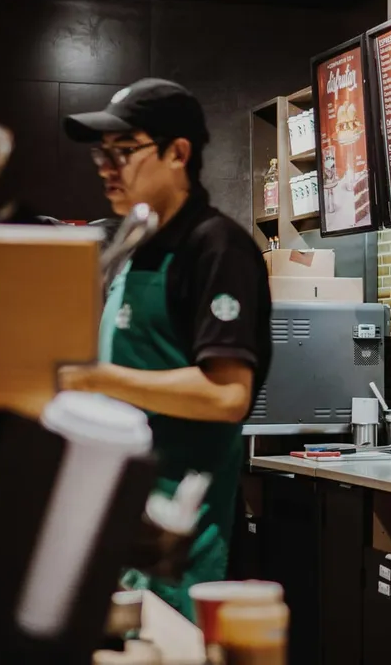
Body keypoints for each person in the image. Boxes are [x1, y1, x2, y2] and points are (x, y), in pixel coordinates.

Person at [56, 78, 272, 619]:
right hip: (122, 505)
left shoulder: (216, 247)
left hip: (183, 521)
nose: (107, 165)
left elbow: (227, 395)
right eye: (102, 153)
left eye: (124, 151)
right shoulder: (135, 244)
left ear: (178, 153)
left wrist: (93, 378)